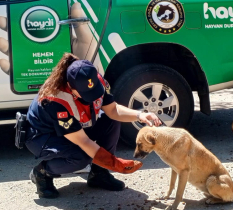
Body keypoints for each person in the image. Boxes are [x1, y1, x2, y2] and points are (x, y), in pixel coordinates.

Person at [25, 53, 161, 198]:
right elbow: (83, 141)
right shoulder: (55, 99)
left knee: (111, 120)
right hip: (43, 136)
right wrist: (113, 163)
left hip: (74, 128)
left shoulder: (96, 81)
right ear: (70, 86)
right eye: (86, 93)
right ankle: (42, 173)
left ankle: (98, 174)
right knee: (82, 157)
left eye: (93, 90)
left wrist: (139, 115)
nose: (92, 96)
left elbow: (113, 110)